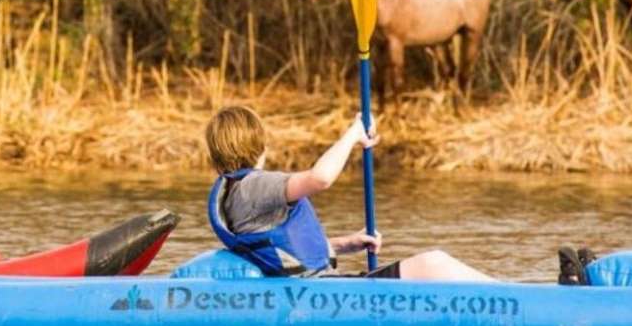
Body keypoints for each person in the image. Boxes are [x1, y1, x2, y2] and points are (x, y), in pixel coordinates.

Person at [204, 105, 492, 280]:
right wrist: (353, 134)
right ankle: (521, 304)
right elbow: (320, 178)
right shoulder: (253, 186)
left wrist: (344, 244)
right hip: (322, 292)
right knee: (433, 263)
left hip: (315, 289)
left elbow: (280, 250)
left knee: (433, 265)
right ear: (260, 146)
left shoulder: (235, 193)